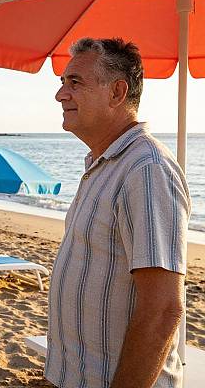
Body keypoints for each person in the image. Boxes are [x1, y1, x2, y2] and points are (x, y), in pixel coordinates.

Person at [45, 38, 190, 388]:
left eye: (74, 82)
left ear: (117, 92)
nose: (60, 95)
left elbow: (162, 309)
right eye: (62, 83)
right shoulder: (104, 163)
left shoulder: (146, 169)